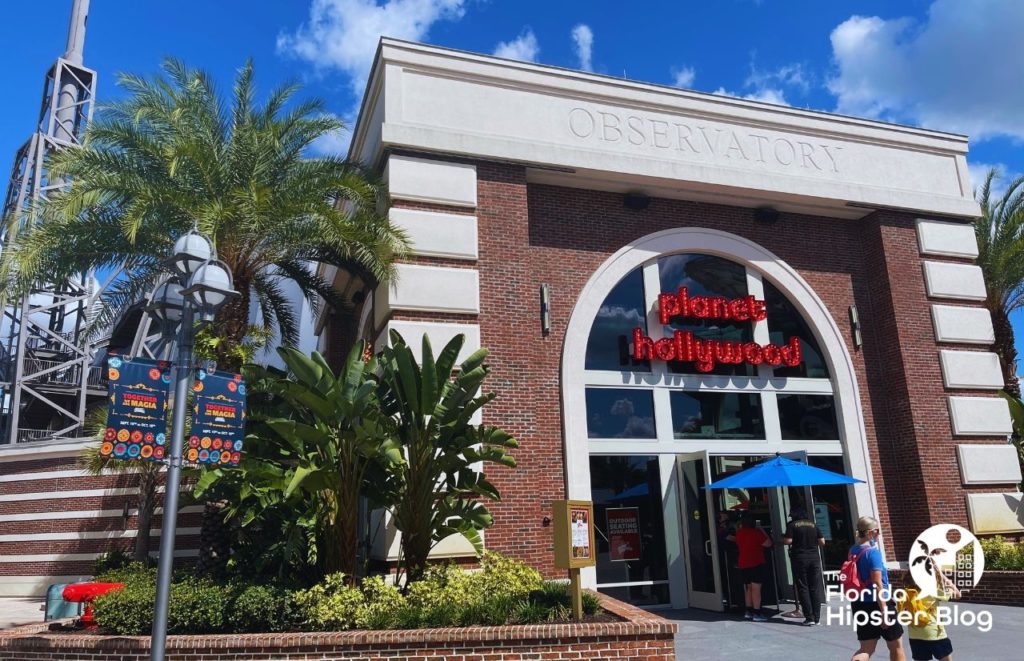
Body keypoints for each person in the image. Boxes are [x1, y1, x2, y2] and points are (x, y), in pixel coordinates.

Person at [849, 516, 905, 661]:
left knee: (866, 649)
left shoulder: (853, 550)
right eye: (877, 531)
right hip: (878, 603)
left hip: (860, 602)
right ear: (870, 532)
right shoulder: (872, 553)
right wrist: (884, 611)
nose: (878, 535)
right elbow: (877, 584)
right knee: (896, 645)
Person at [899, 567, 960, 661]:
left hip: (915, 635)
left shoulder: (906, 591)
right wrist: (944, 577)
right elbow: (957, 594)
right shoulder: (931, 590)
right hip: (934, 633)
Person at [783, 506, 825, 625]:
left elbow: (788, 541)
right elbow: (822, 542)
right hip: (814, 558)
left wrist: (783, 537)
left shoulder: (792, 525)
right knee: (814, 587)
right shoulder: (813, 524)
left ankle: (809, 617)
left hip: (800, 558)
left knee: (803, 587)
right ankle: (817, 618)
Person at [729, 515, 773, 621]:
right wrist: (761, 529)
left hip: (743, 563)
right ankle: (757, 613)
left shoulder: (739, 533)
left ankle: (748, 611)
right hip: (756, 562)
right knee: (756, 588)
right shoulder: (756, 533)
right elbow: (768, 544)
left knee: (748, 588)